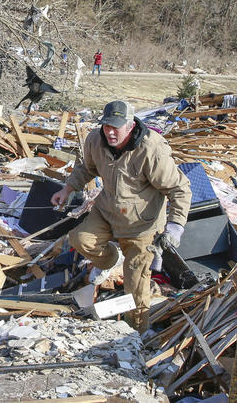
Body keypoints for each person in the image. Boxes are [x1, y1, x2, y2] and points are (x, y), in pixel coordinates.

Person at [51, 100, 191, 333]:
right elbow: (87, 168)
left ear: (130, 125)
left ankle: (135, 333)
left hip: (141, 225)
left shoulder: (151, 149)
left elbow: (179, 188)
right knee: (80, 239)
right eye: (107, 126)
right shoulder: (96, 140)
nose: (111, 132)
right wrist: (66, 190)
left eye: (116, 127)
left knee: (135, 285)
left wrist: (176, 226)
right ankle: (110, 261)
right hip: (107, 211)